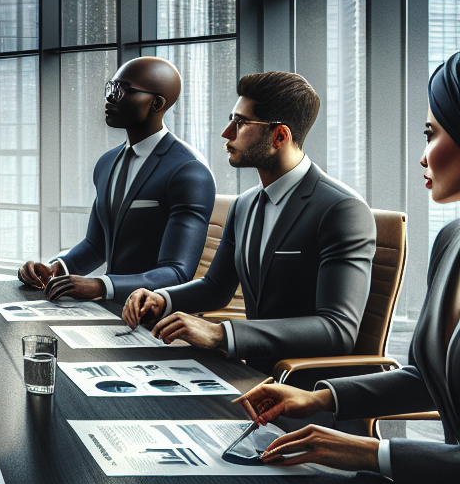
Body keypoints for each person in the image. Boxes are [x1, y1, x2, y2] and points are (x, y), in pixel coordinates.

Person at [234, 52, 460, 484]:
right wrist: (320, 399)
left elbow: (336, 327)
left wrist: (366, 452)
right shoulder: (451, 241)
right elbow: (427, 380)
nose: (421, 157)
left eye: (430, 134)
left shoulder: (339, 208)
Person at [122, 71, 377, 374]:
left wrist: (221, 334)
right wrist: (161, 299)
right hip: (248, 376)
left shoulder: (343, 210)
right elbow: (216, 287)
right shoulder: (244, 204)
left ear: (279, 136)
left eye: (241, 123)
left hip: (306, 392)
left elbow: (337, 330)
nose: (227, 132)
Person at [18, 57, 216, 306]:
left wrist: (101, 285)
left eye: (123, 91)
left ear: (157, 103)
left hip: (156, 317)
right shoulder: (106, 163)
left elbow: (177, 272)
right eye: (111, 88)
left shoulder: (189, 171)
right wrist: (55, 268)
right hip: (109, 308)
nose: (111, 98)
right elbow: (95, 245)